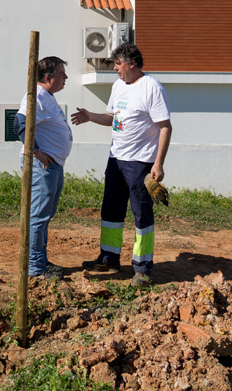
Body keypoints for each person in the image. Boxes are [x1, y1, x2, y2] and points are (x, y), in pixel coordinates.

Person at [71, 43, 172, 287]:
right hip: (116, 159)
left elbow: (165, 127)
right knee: (111, 211)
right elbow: (113, 118)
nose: (115, 68)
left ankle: (142, 268)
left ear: (132, 63)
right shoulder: (118, 86)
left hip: (140, 163)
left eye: (118, 63)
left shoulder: (151, 87)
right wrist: (90, 117)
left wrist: (158, 164)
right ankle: (108, 258)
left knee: (141, 214)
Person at [14, 56, 73, 280]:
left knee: (44, 216)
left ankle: (40, 261)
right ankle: (35, 268)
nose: (65, 78)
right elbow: (20, 123)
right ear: (48, 78)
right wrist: (36, 150)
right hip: (42, 166)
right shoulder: (36, 95)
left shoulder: (47, 96)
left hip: (53, 166)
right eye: (61, 74)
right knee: (38, 217)